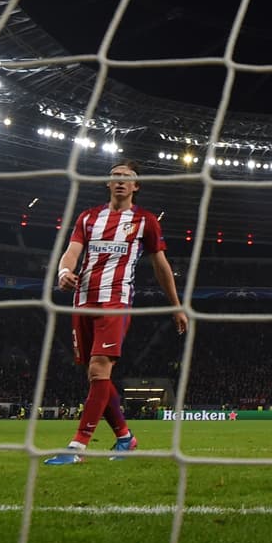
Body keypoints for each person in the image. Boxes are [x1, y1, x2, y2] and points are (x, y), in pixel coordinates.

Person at [45, 161, 188, 465]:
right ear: (108, 183)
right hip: (82, 302)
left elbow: (161, 266)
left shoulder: (145, 221)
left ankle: (77, 447)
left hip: (116, 302)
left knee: (99, 369)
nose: (120, 181)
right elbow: (72, 252)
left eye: (127, 177)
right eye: (115, 177)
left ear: (136, 186)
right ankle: (125, 437)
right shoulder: (88, 217)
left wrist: (176, 305)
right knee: (95, 376)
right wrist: (63, 272)